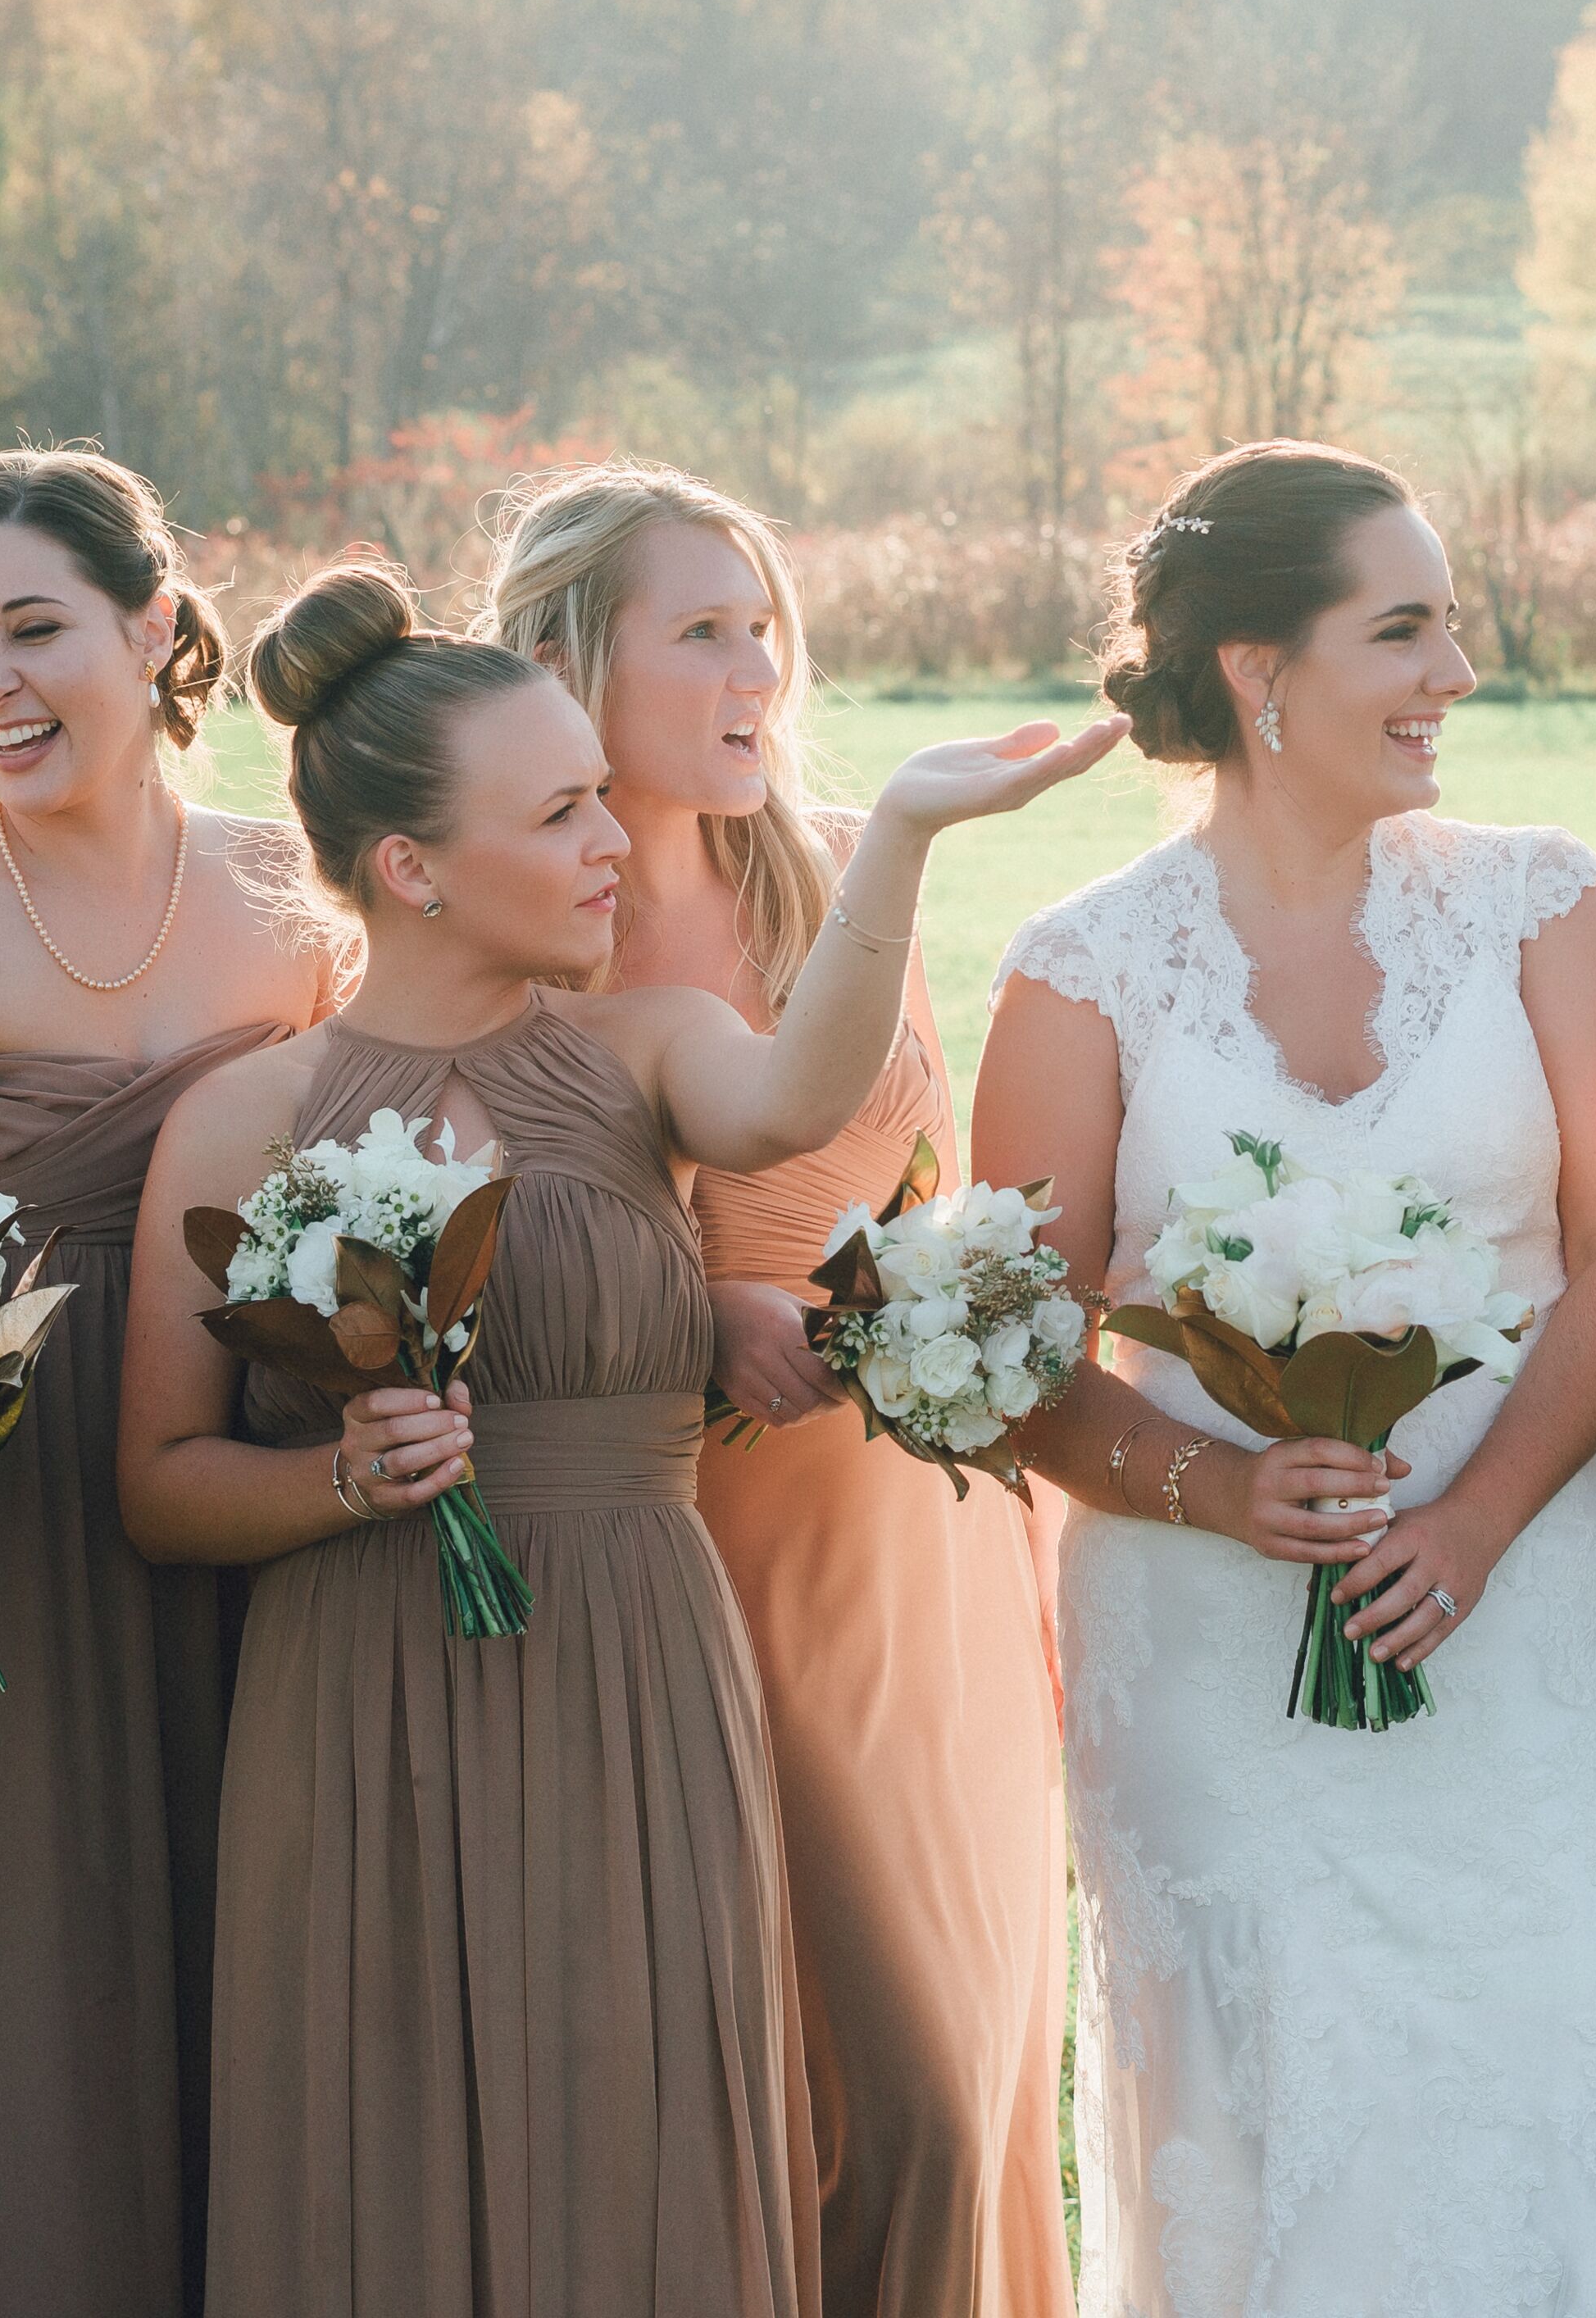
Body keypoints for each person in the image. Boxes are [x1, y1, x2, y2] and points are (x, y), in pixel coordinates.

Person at [116, 558, 1112, 2318]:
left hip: (642, 1670)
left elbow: (802, 1093)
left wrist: (896, 841)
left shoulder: (652, 1049)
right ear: (412, 868)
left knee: (648, 2127)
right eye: (564, 810)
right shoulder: (245, 1118)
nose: (610, 844)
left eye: (601, 794)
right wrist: (342, 1478)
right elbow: (160, 1487)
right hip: (362, 1698)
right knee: (394, 2139)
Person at [971, 441, 1596, 2318]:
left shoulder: (1544, 908)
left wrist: (1472, 1525)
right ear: (1257, 671)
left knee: (1552, 2081)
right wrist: (1216, 1490)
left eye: (1448, 625)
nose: (1452, 675)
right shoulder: (1078, 975)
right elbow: (1011, 1358)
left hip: (1537, 1612)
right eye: (1401, 630)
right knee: (1266, 2116)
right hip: (1216, 1657)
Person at [480, 462, 1066, 2318]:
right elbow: (475, 1275)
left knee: (969, 2075)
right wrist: (687, 1315)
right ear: (569, 661)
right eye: (701, 631)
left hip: (918, 1541)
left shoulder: (819, 866)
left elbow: (933, 1184)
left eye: (763, 628)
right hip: (695, 1558)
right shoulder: (501, 944)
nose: (754, 668)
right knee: (830, 2092)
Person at [0, 448, 338, 2316]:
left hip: (266, 1508)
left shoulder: (305, 886)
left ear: (158, 629)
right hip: (2, 1539)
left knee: (270, 2002)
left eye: (34, 628)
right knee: (12, 2036)